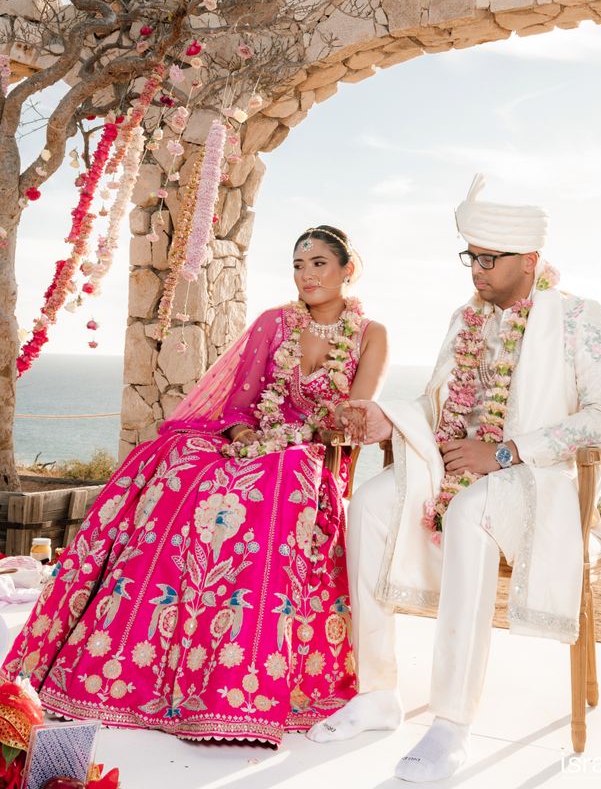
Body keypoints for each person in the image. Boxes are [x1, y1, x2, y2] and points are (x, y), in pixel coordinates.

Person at [2, 225, 387, 747]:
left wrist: (303, 436)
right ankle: (144, 647)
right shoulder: (273, 323)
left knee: (283, 476)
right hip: (254, 442)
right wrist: (248, 436)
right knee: (182, 464)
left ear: (348, 269)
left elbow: (353, 416)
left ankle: (237, 675)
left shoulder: (371, 334)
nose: (307, 275)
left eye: (319, 263)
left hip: (312, 454)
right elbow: (239, 406)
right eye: (299, 265)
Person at [309, 175, 601, 783]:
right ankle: (377, 692)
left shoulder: (578, 317)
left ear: (529, 260)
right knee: (369, 502)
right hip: (458, 467)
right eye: (470, 257)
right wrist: (386, 419)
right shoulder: (465, 319)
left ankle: (452, 723)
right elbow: (437, 404)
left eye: (488, 259)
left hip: (538, 481)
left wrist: (506, 452)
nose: (475, 270)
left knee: (469, 511)